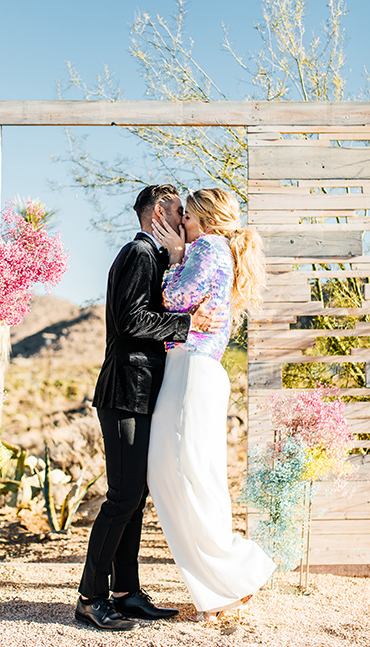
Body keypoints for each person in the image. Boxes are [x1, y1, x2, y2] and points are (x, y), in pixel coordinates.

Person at [75, 184, 224, 631]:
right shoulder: (138, 253)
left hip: (141, 392)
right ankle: (90, 597)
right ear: (159, 211)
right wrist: (187, 322)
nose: (183, 218)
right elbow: (130, 320)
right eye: (179, 210)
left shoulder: (155, 257)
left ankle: (126, 592)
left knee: (134, 497)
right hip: (125, 391)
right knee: (122, 497)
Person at [148, 187, 276, 622]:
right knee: (187, 476)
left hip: (191, 370)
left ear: (199, 218)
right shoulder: (214, 248)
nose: (177, 222)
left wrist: (172, 259)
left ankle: (232, 581)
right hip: (193, 370)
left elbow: (174, 300)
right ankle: (223, 584)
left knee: (184, 477)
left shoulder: (205, 247)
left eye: (185, 215)